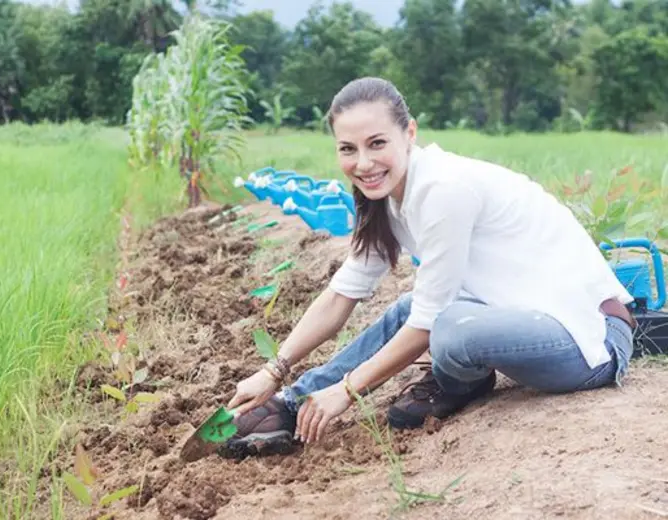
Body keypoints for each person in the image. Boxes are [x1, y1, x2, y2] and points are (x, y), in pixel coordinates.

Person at [218, 77, 636, 459]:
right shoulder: (386, 197)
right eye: (348, 149)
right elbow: (342, 293)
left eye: (376, 143)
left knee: (449, 327)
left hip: (590, 340)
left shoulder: (443, 190)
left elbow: (429, 323)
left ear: (410, 134)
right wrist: (273, 371)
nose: (363, 162)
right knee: (414, 308)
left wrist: (346, 392)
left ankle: (459, 381)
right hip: (524, 317)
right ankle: (289, 405)